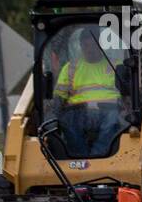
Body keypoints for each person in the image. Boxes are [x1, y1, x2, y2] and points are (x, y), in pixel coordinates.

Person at [53, 27, 124, 157]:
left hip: (109, 109)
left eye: (94, 44)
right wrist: (55, 115)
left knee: (113, 120)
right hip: (78, 111)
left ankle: (97, 156)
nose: (90, 49)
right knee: (66, 121)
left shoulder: (115, 66)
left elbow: (127, 94)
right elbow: (60, 97)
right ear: (81, 46)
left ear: (101, 45)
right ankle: (80, 156)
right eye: (86, 45)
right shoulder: (70, 68)